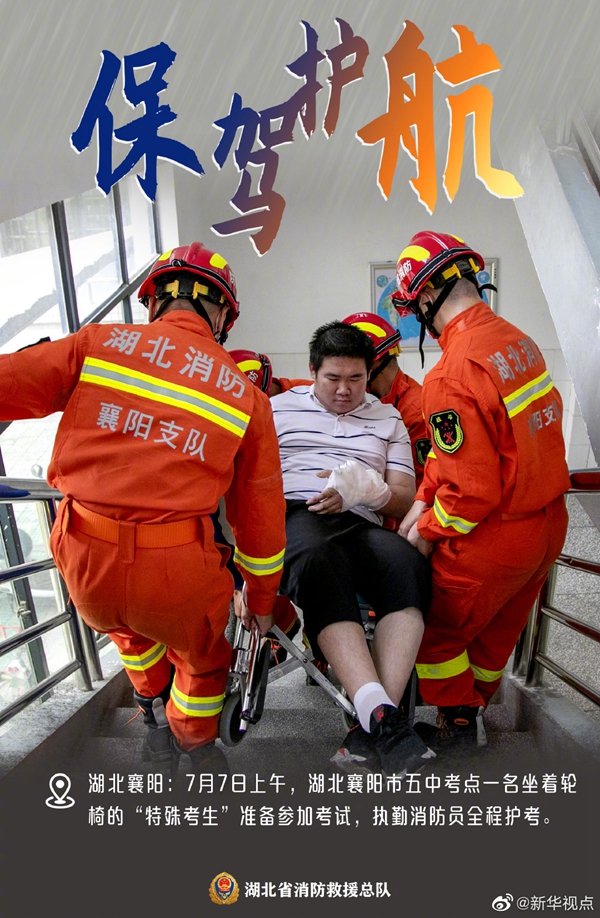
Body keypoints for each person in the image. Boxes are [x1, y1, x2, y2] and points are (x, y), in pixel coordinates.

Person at [0, 242, 286, 770]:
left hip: (85, 557)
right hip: (176, 568)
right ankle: (194, 745)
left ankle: (153, 718)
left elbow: (10, 382)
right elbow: (260, 519)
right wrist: (262, 599)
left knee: (129, 633)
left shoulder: (97, 344)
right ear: (222, 315)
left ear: (153, 300)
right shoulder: (248, 397)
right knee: (202, 659)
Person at [394, 231, 570, 750]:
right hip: (548, 525)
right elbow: (472, 449)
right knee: (495, 634)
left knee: (434, 633)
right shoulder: (519, 342)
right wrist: (424, 493)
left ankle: (458, 725)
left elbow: (470, 491)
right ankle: (474, 712)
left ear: (427, 298)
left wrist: (425, 529)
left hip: (496, 536)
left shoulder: (450, 374)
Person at [270, 321, 434, 776]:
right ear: (312, 371)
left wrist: (368, 491)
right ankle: (386, 722)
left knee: (408, 565)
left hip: (362, 522)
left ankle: (373, 725)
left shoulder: (388, 418)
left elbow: (403, 495)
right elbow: (248, 486)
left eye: (356, 379)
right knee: (319, 562)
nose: (344, 390)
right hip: (298, 517)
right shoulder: (276, 410)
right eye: (333, 378)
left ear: (370, 374)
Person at [342, 313, 431, 488]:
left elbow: (421, 483)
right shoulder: (365, 394)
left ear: (372, 366)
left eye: (351, 372)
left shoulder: (416, 409)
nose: (342, 387)